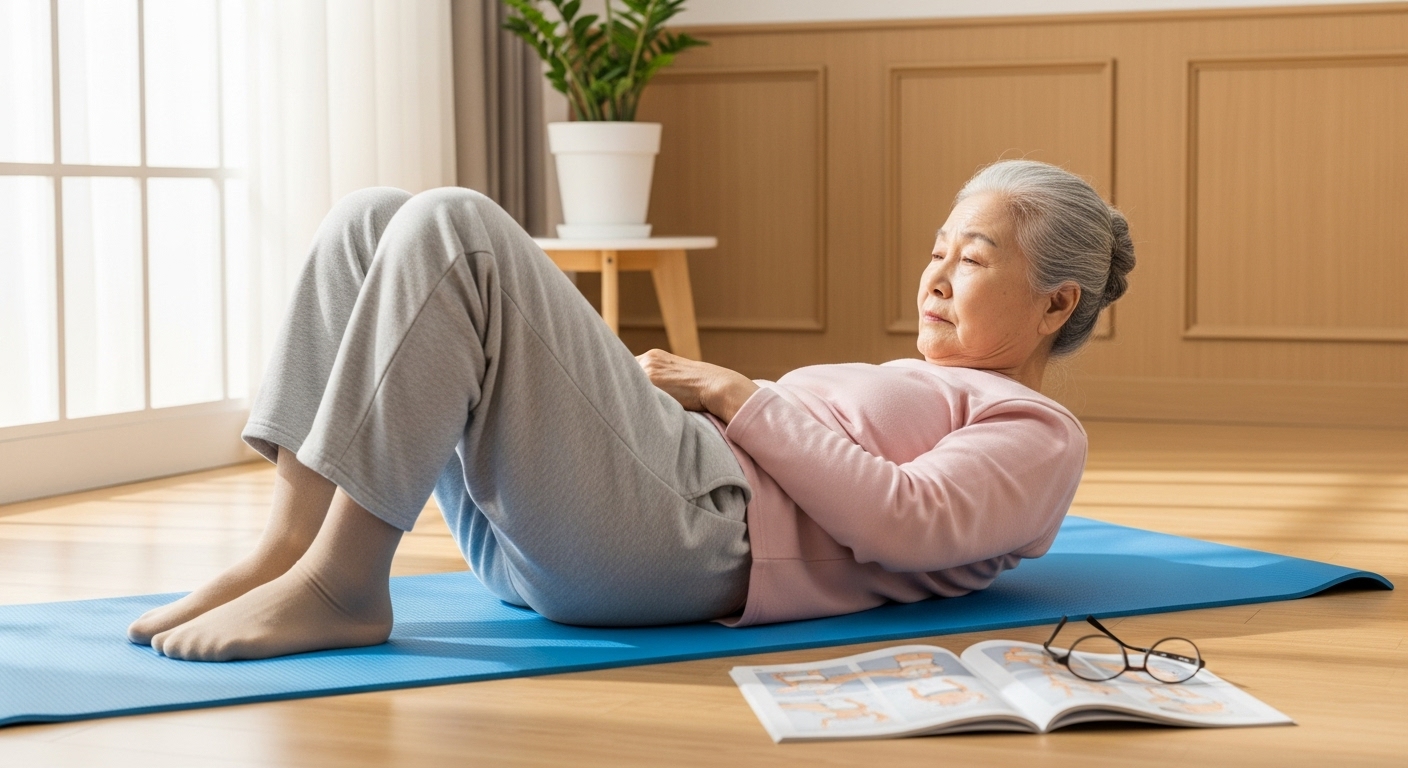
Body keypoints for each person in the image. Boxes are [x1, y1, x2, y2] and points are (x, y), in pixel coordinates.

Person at [127, 159, 1134, 662]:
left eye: (973, 259)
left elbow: (906, 523)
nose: (936, 274)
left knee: (458, 229)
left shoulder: (1037, 435)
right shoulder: (921, 380)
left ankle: (347, 584)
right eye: (936, 250)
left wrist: (738, 395)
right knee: (372, 221)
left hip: (687, 542)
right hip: (612, 517)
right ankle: (292, 544)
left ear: (1057, 304)